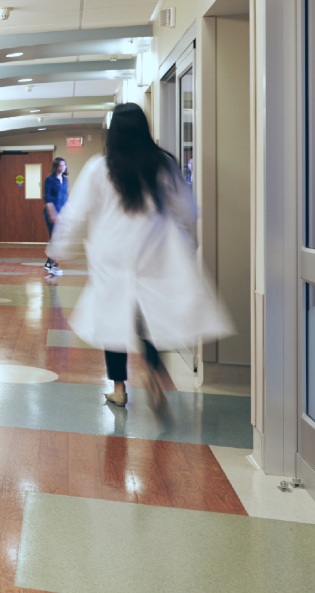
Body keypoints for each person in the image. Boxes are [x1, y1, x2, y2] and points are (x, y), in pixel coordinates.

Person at [47, 103, 232, 420]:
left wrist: (58, 248)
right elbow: (187, 210)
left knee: (112, 320)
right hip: (154, 249)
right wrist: (189, 243)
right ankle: (153, 366)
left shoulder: (99, 167)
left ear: (113, 133)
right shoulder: (163, 165)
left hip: (112, 253)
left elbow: (75, 214)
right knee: (149, 315)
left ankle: (119, 389)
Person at [43, 157, 68, 276]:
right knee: (55, 239)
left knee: (56, 239)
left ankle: (48, 264)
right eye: (60, 165)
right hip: (51, 212)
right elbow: (47, 199)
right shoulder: (49, 180)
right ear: (56, 167)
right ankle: (53, 266)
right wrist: (52, 214)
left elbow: (65, 197)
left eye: (64, 165)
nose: (63, 167)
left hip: (62, 213)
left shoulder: (64, 180)